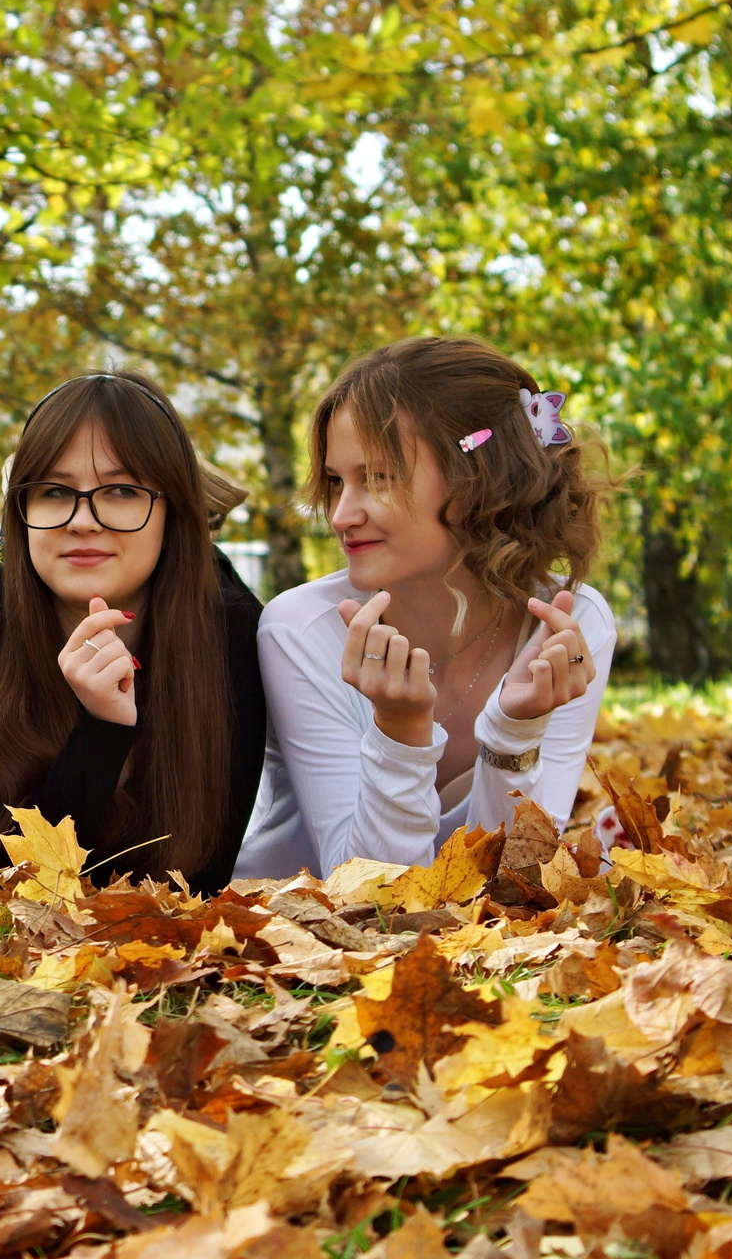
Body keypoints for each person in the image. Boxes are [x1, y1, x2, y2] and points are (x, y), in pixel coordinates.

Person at [237, 337, 617, 879]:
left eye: (379, 478)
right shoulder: (301, 632)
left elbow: (515, 884)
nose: (341, 514)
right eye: (336, 482)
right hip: (286, 947)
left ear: (475, 481)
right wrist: (398, 733)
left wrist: (516, 732)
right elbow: (369, 895)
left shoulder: (566, 624)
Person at [0, 372, 268, 889]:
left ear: (173, 511)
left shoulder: (229, 629)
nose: (83, 520)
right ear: (21, 510)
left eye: (122, 490)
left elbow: (201, 879)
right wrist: (101, 732)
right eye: (55, 491)